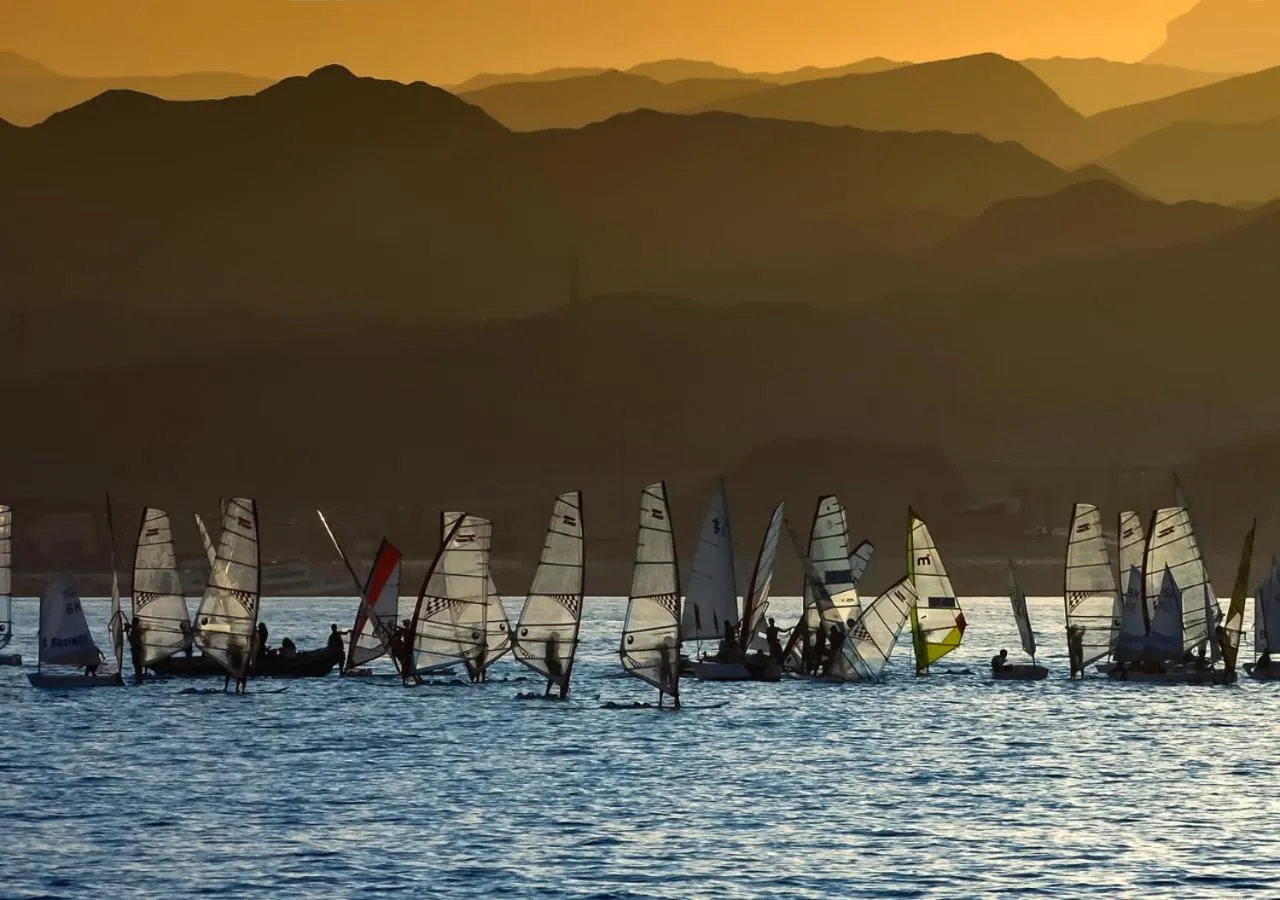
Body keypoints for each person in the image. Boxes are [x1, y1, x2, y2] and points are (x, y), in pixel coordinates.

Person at [544, 633, 564, 698]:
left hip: (550, 660)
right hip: (551, 661)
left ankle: (548, 692)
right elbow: (552, 653)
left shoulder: (553, 642)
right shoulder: (551, 642)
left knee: (553, 677)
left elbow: (556, 653)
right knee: (556, 676)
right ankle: (562, 691)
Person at [127, 618, 145, 683]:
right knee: (137, 663)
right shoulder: (135, 629)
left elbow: (131, 640)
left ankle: (139, 676)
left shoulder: (135, 630)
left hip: (136, 648)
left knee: (137, 663)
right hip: (136, 648)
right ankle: (138, 675)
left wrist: (128, 630)